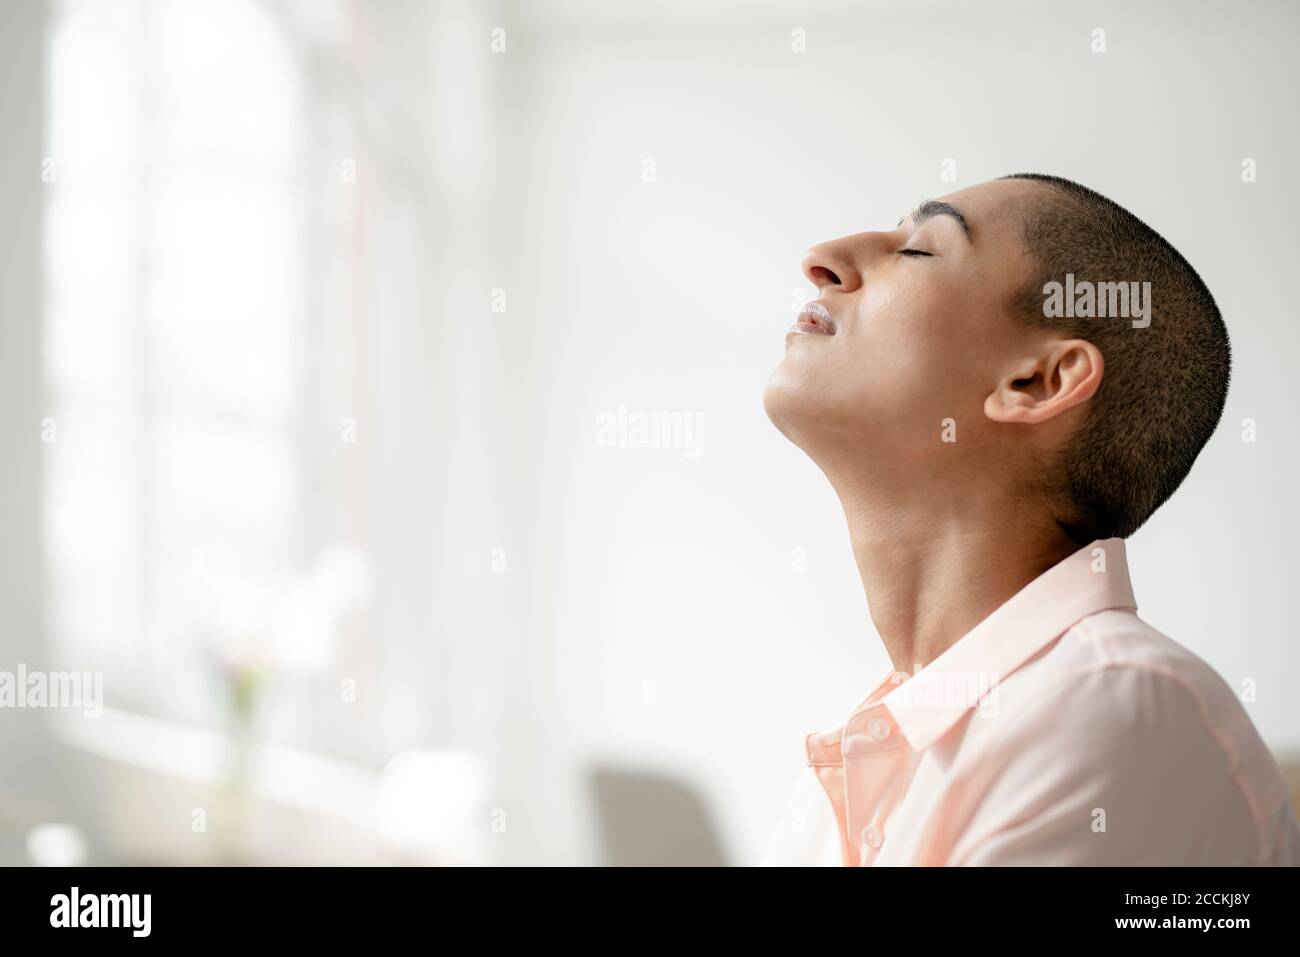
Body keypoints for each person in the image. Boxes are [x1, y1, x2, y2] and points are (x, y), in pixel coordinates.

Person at [759, 174, 1300, 866]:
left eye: (920, 250)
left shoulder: (1113, 710)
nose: (824, 256)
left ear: (1038, 383)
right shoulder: (867, 756)